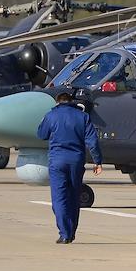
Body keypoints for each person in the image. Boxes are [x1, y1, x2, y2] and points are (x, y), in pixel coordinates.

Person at [36, 92, 103, 244]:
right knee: (74, 196)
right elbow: (92, 141)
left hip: (57, 161)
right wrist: (97, 161)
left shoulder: (51, 116)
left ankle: (64, 233)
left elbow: (41, 134)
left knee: (59, 198)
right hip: (76, 161)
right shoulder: (83, 116)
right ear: (71, 101)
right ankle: (71, 232)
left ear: (57, 102)